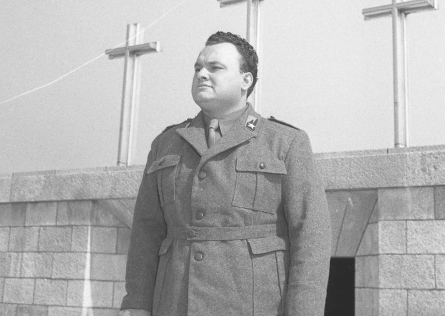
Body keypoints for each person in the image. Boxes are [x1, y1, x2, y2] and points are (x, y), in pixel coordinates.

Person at [119, 31, 331, 316]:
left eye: (215, 67)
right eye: (197, 68)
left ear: (246, 80)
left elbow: (311, 236)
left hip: (256, 306)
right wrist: (136, 304)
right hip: (174, 304)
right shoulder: (166, 144)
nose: (201, 74)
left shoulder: (285, 142)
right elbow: (146, 232)